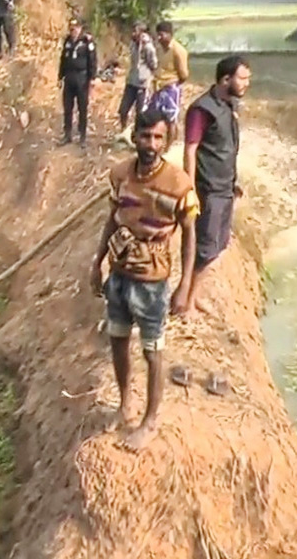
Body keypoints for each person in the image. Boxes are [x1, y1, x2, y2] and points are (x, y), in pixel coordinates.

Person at [90, 109, 199, 451]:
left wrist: (184, 286)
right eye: (144, 136)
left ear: (166, 141)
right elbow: (113, 217)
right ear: (133, 137)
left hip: (152, 280)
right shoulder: (121, 174)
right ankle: (125, 404)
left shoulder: (179, 184)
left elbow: (190, 235)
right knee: (118, 339)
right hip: (120, 273)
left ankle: (150, 421)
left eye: (157, 137)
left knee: (153, 350)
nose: (150, 144)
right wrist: (97, 262)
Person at [183, 55, 251, 315]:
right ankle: (186, 302)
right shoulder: (202, 109)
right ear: (225, 79)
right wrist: (190, 190)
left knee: (217, 246)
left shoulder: (228, 107)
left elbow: (226, 149)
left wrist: (234, 182)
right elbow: (191, 150)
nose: (246, 83)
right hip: (208, 189)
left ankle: (193, 296)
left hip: (224, 187)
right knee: (204, 246)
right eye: (242, 78)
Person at [58, 17, 97, 149]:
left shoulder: (87, 42)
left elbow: (92, 60)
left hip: (82, 78)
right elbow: (63, 60)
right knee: (67, 108)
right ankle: (67, 134)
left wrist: (92, 78)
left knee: (82, 108)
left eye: (75, 28)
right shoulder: (67, 41)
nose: (73, 31)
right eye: (71, 29)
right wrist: (60, 77)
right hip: (69, 77)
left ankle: (82, 136)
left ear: (80, 28)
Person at [150, 21, 189, 151]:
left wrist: (173, 86)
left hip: (171, 88)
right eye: (158, 35)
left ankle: (168, 148)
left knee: (170, 119)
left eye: (162, 35)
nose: (159, 38)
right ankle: (159, 143)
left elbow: (184, 75)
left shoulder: (179, 51)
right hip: (159, 87)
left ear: (169, 34)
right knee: (157, 117)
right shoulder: (160, 49)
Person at [117, 22, 158, 138]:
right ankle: (123, 131)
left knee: (140, 113)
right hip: (131, 81)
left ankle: (139, 135)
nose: (133, 33)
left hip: (142, 84)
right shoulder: (133, 44)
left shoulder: (148, 47)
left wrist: (146, 76)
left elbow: (153, 64)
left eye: (135, 31)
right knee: (123, 109)